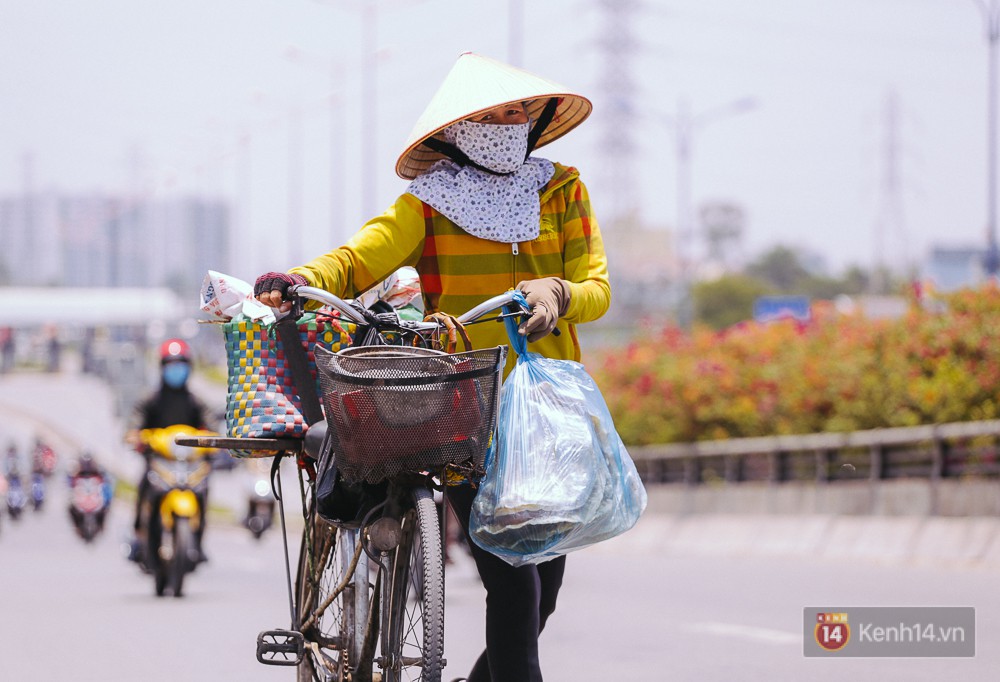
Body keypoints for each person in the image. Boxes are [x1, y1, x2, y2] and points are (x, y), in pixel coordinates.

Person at [255, 52, 609, 682]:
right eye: (494, 113)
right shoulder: (428, 202)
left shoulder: (563, 188)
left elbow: (598, 288)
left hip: (543, 412)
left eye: (519, 111)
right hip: (465, 405)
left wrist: (559, 292)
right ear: (458, 129)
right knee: (514, 584)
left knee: (543, 594)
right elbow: (361, 258)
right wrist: (300, 280)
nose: (510, 121)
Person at [127, 338, 211, 562]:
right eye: (171, 365)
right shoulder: (151, 400)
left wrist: (213, 441)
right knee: (145, 487)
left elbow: (211, 426)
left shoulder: (195, 401)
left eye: (181, 364)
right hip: (159, 462)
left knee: (203, 491)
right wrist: (136, 436)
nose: (177, 370)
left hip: (188, 464)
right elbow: (134, 425)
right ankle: (138, 535)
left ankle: (198, 542)